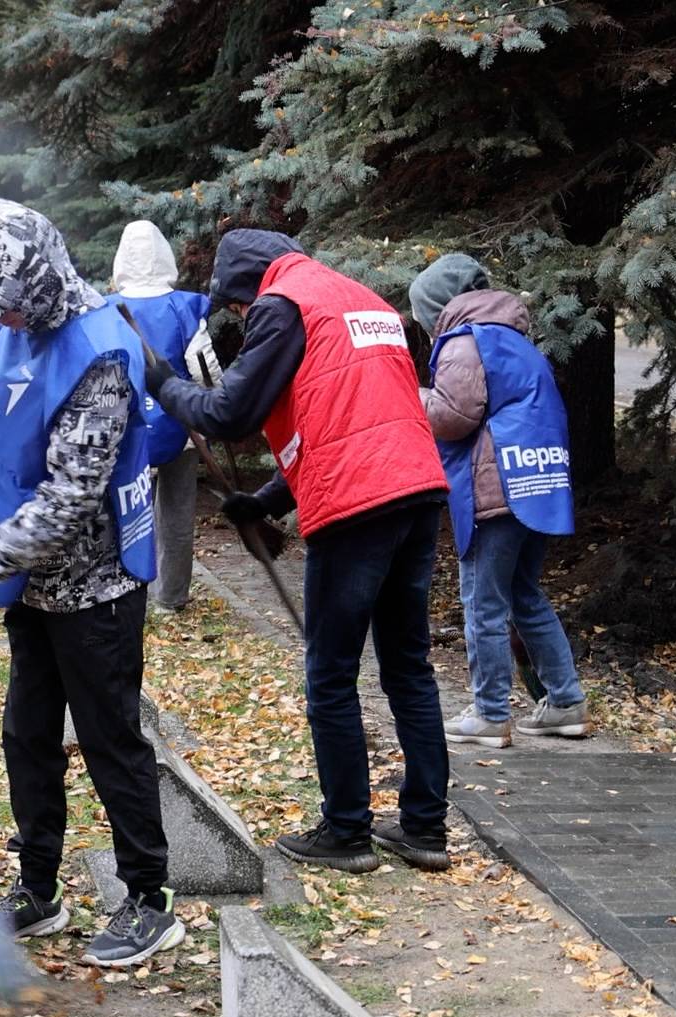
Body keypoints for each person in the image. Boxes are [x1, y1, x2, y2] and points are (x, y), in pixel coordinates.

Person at [0, 198, 182, 968]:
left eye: (1, 300)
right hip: (33, 592)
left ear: (32, 280)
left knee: (110, 743)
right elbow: (20, 398)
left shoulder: (101, 354)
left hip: (94, 591)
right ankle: (40, 891)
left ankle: (149, 897)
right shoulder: (26, 327)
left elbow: (69, 500)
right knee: (26, 737)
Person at [147, 229, 453, 874]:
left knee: (331, 674)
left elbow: (228, 411)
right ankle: (425, 829)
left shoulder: (282, 304)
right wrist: (264, 501)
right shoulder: (355, 298)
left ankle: (346, 831)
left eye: (235, 306)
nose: (239, 317)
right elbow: (351, 417)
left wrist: (165, 386)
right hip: (417, 487)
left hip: (358, 504)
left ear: (247, 287)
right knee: (408, 667)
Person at [408, 254, 586, 748]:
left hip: (497, 489)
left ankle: (489, 713)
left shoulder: (466, 342)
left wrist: (412, 394)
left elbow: (452, 416)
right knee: (525, 595)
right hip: (536, 484)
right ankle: (566, 702)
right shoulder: (512, 339)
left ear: (439, 306)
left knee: (482, 604)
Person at [107, 220, 212, 614]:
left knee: (126, 507)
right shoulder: (183, 306)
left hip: (126, 427)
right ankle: (171, 597)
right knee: (177, 513)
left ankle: (129, 587)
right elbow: (203, 367)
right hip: (180, 424)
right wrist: (208, 406)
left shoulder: (109, 309)